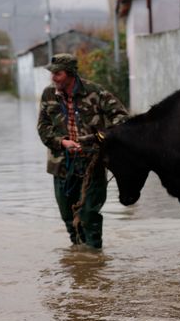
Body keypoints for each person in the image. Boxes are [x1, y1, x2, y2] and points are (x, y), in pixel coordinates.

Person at [37, 53, 128, 249]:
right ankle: (80, 262)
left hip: (92, 164)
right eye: (52, 74)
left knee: (89, 215)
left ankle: (94, 258)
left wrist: (100, 139)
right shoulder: (48, 95)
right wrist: (62, 142)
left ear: (70, 74)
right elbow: (42, 128)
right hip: (61, 166)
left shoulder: (95, 92)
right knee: (68, 217)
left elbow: (122, 118)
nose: (53, 78)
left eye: (57, 74)